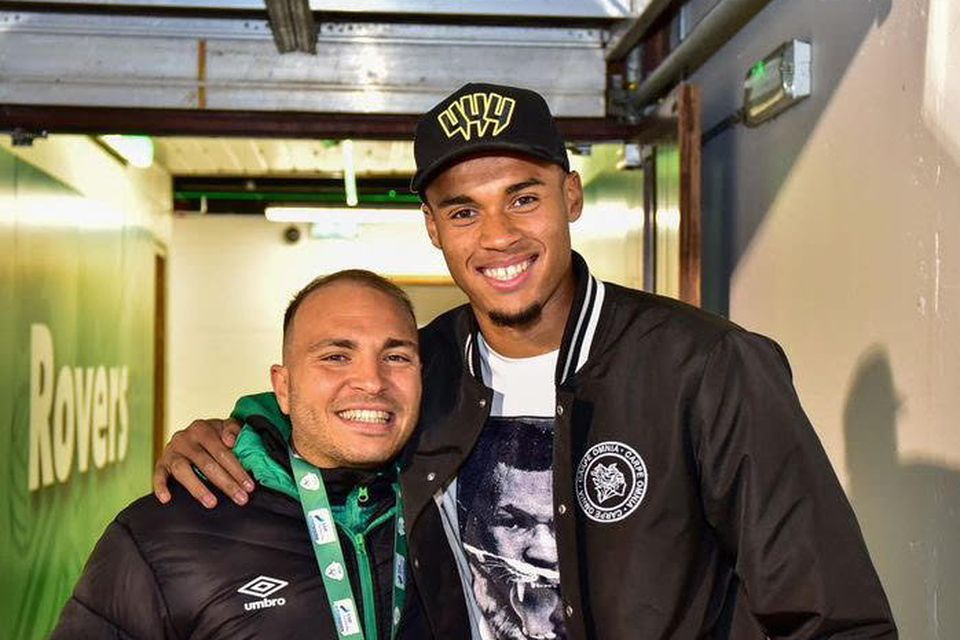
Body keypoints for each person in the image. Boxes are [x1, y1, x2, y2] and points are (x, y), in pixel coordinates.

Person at [154, 83, 898, 639]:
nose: (498, 236)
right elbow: (326, 425)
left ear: (570, 196)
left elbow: (829, 615)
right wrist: (231, 431)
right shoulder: (427, 367)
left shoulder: (705, 368)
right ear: (433, 229)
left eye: (523, 197)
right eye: (464, 210)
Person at [53, 270, 431, 639]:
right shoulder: (160, 534)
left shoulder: (448, 511)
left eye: (396, 357)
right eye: (335, 356)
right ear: (283, 387)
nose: (372, 381)